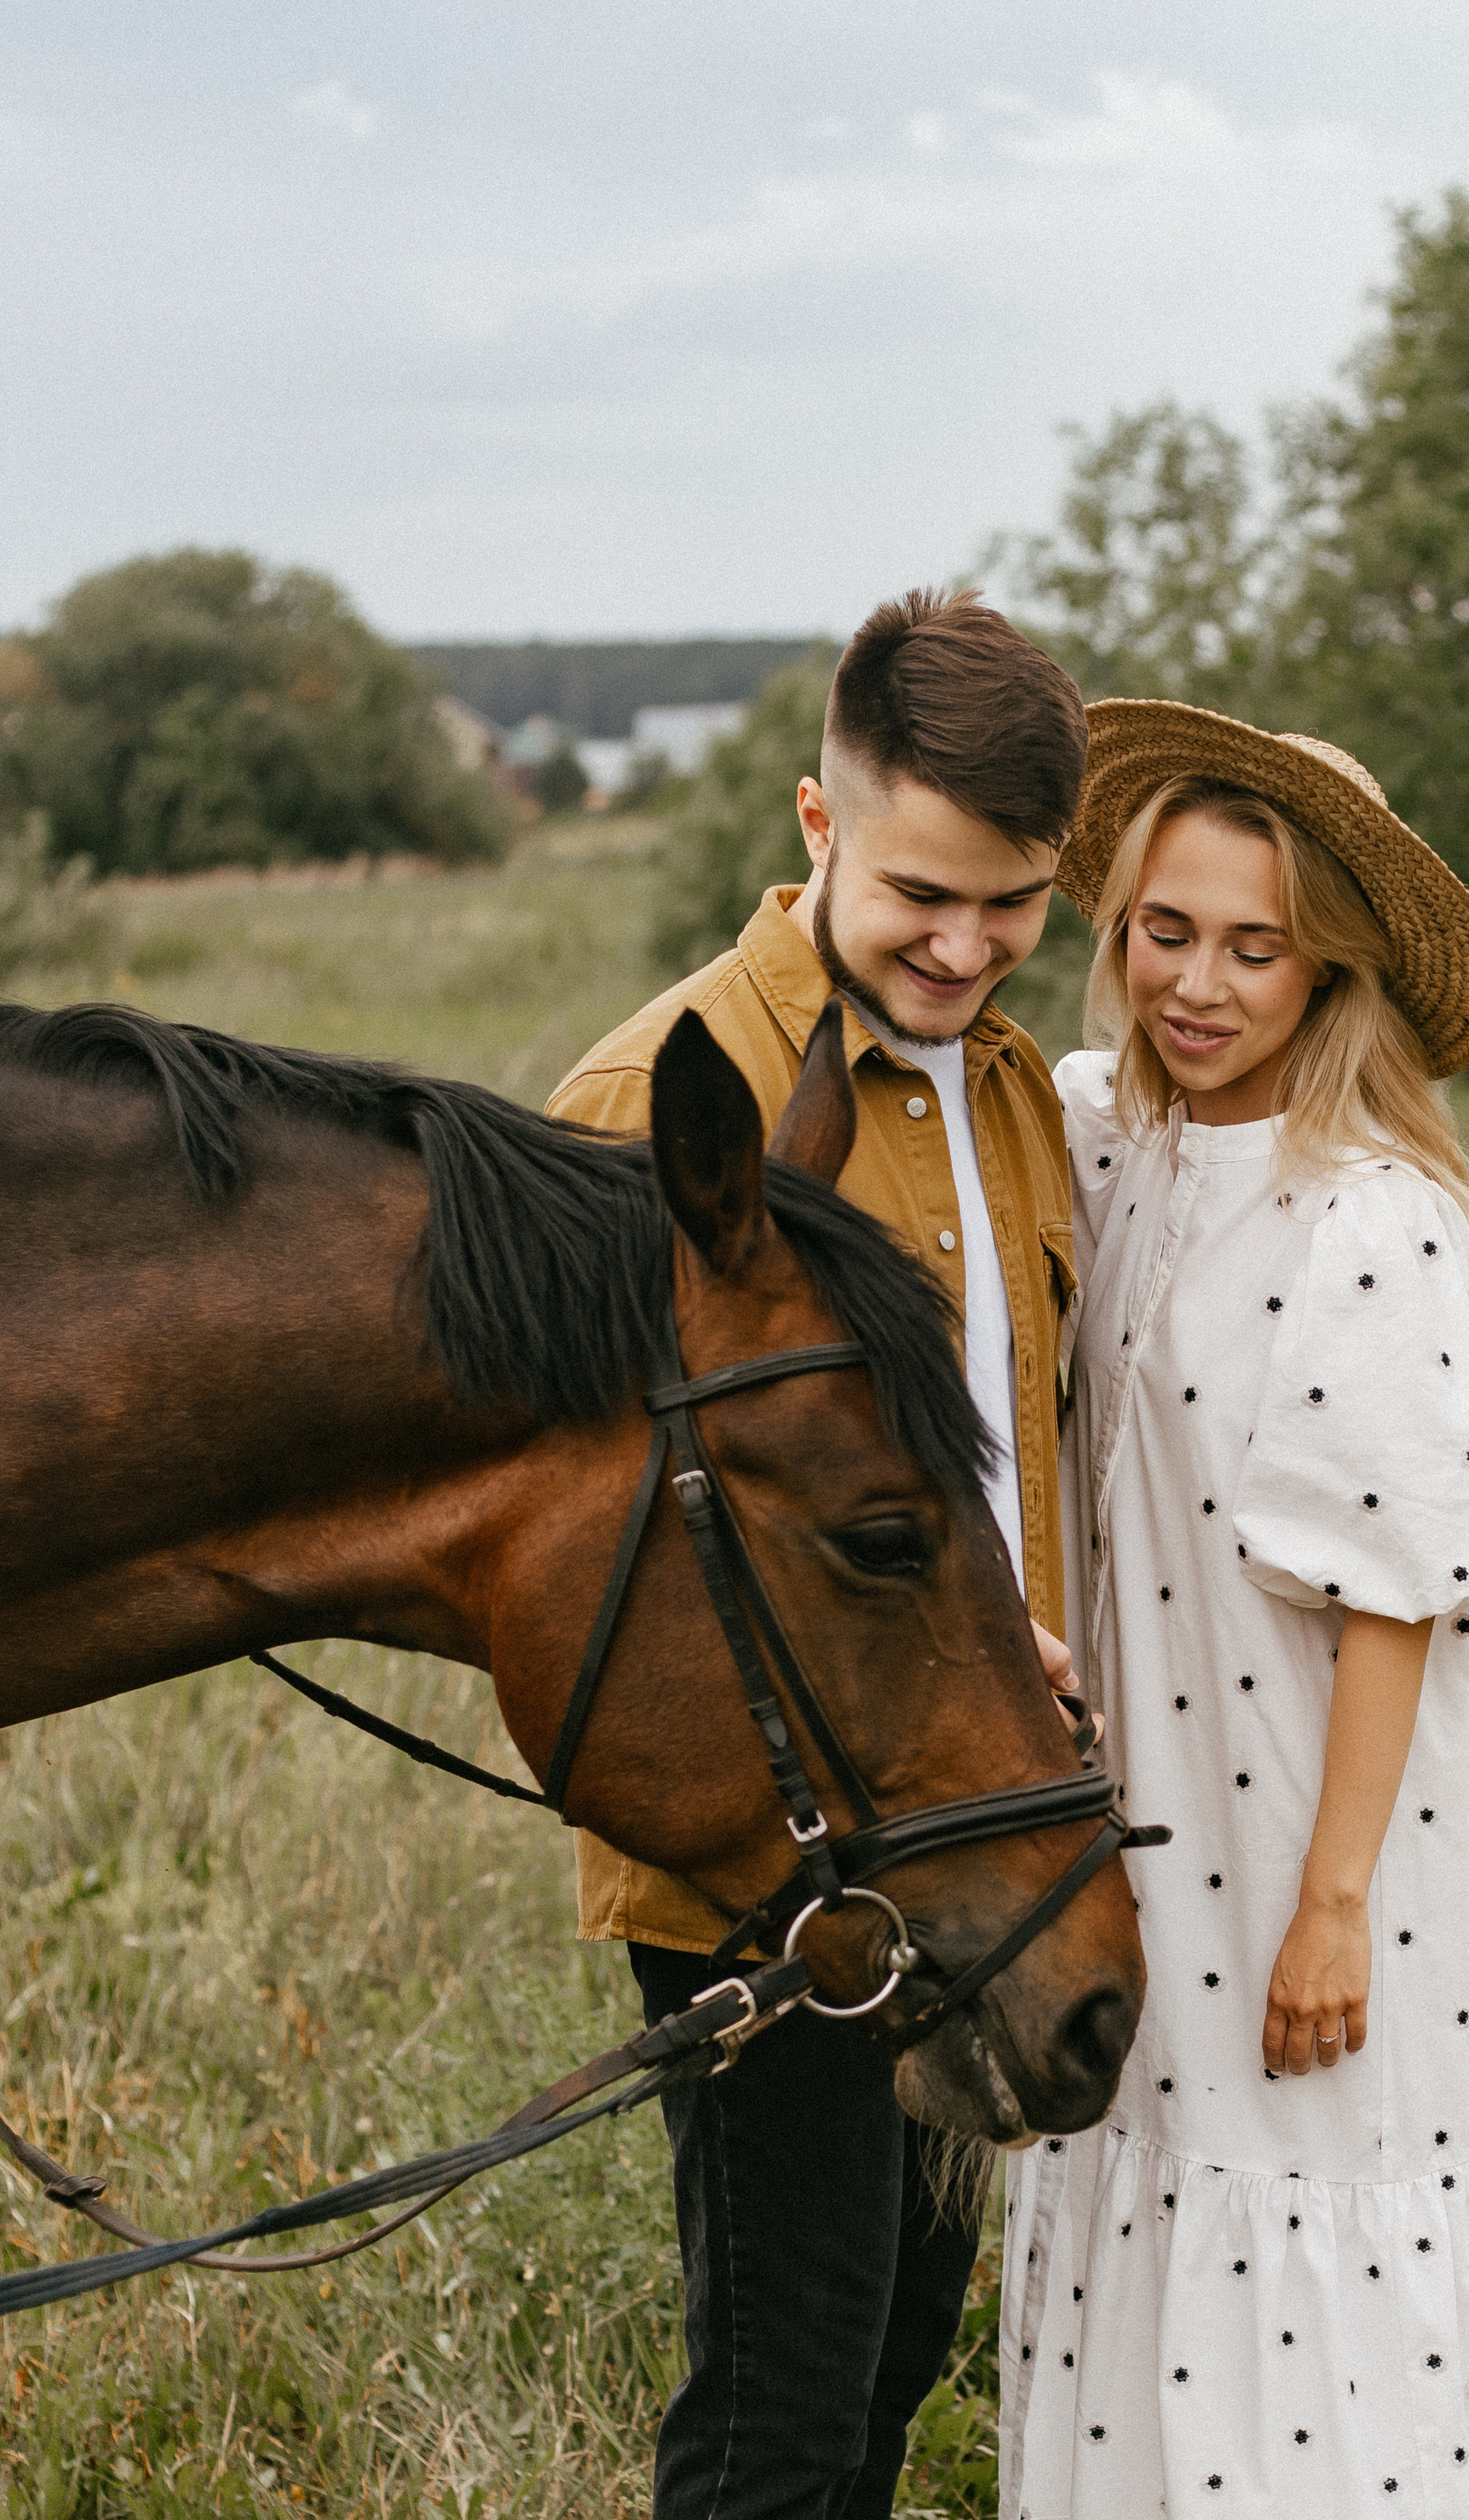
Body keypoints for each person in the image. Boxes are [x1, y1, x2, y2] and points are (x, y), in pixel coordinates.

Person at [999, 702, 1469, 2516]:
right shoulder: (1098, 1133)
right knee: (1147, 2191)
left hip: (1298, 1834)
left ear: (1323, 964)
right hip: (1121, 1831)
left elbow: (1395, 1603)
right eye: (1163, 932)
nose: (1197, 984)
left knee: (1316, 2230)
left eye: (1253, 947)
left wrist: (1333, 1905)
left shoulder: (1370, 1219)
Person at [547, 588, 1090, 2520]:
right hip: (777, 1858)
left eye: (1011, 902)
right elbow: (577, 1542)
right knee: (781, 2397)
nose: (960, 944)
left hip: (973, 1818)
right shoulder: (646, 1104)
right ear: (814, 828)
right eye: (918, 892)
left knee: (893, 2353)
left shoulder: (1015, 1085)